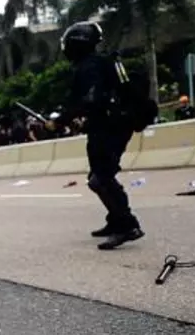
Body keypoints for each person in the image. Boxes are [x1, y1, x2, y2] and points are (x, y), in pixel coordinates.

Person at [60, 22, 144, 250]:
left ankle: (128, 226)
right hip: (112, 125)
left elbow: (91, 99)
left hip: (110, 128)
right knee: (99, 176)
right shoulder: (99, 63)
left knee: (101, 178)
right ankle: (115, 220)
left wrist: (61, 120)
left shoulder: (90, 67)